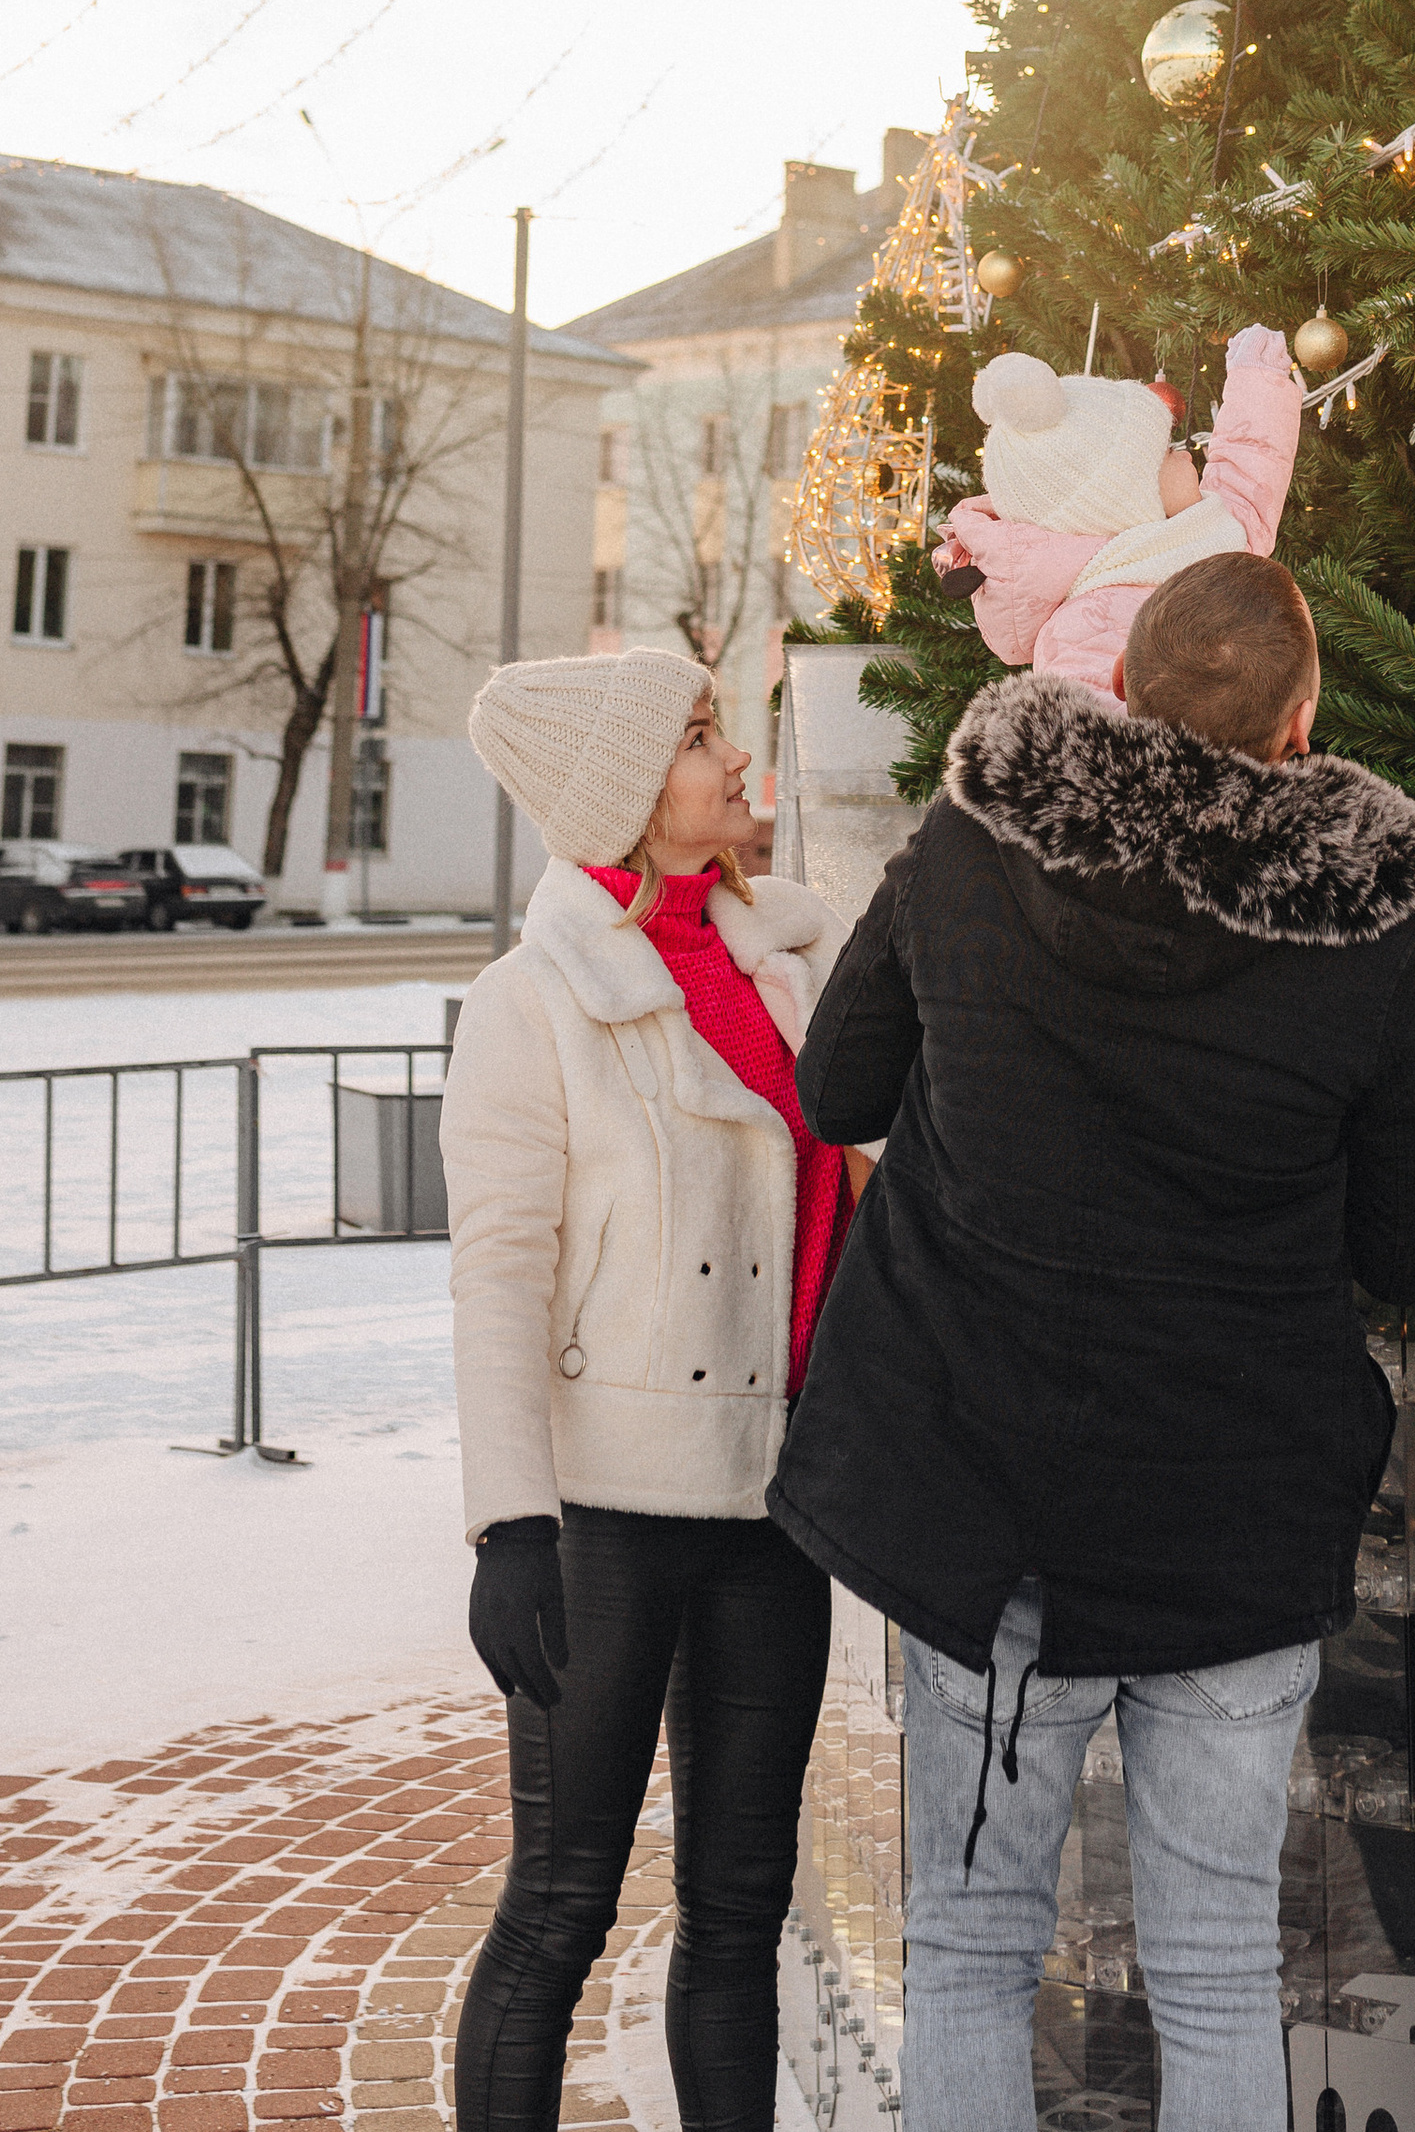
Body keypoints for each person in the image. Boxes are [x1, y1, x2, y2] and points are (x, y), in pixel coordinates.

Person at [770, 554, 1415, 2132]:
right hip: (1236, 1515)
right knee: (1220, 1966)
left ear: (1122, 689)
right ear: (1303, 720)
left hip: (983, 1502)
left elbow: (836, 1090)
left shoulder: (972, 839)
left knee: (967, 1946)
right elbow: (1411, 1249)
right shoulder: (1364, 930)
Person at [442, 647, 858, 2132]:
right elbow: (495, 1272)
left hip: (773, 1503)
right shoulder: (534, 1002)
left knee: (743, 1910)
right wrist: (510, 1526)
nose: (735, 761)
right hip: (606, 1515)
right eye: (696, 740)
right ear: (625, 796)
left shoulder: (791, 966)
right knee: (559, 1910)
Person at [934, 319, 1302, 701]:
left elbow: (1246, 479)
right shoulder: (1086, 627)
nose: (1184, 451)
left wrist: (1258, 379)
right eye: (1165, 451)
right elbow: (1105, 742)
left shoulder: (1199, 533)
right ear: (1124, 499)